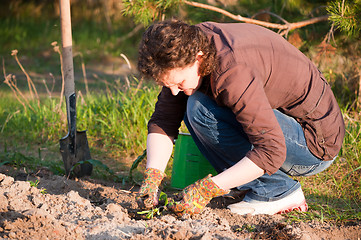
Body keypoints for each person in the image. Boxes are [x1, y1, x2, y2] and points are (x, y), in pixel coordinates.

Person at [135, 19, 345, 216]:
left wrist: (208, 189)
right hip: (280, 124)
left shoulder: (232, 71)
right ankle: (253, 184)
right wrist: (153, 176)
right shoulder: (187, 47)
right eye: (167, 85)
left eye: (178, 82)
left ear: (197, 58)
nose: (173, 91)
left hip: (313, 144)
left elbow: (271, 150)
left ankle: (278, 192)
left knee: (199, 109)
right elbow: (164, 120)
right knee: (192, 105)